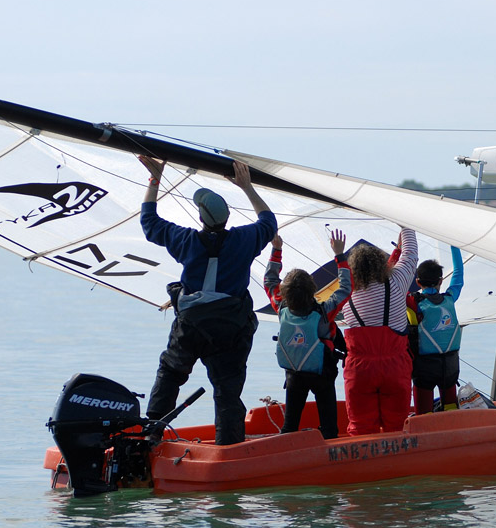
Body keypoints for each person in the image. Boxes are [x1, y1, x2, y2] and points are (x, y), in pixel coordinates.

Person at [138, 156, 277, 445]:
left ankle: (149, 436)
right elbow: (268, 222)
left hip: (191, 327)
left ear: (200, 218)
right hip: (230, 328)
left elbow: (149, 222)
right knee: (227, 391)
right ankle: (230, 448)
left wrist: (155, 178)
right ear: (227, 218)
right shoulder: (244, 239)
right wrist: (247, 187)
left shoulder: (186, 240)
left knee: (170, 376)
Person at [263, 229, 350, 440]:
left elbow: (269, 280)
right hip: (322, 375)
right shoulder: (324, 311)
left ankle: (284, 453)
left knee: (290, 424)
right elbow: (346, 288)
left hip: (294, 374)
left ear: (285, 292)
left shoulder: (280, 306)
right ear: (313, 289)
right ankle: (329, 451)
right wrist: (340, 256)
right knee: (329, 427)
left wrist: (276, 250)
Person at [340, 227, 418, 435]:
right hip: (395, 366)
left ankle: (360, 465)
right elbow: (411, 254)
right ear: (381, 264)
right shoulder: (397, 283)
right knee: (397, 427)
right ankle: (399, 465)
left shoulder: (346, 292)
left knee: (360, 428)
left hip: (360, 369)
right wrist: (406, 227)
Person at [409, 246, 464, 414]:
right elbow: (458, 274)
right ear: (441, 281)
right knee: (450, 410)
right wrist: (454, 245)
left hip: (425, 367)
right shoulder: (450, 298)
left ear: (418, 282)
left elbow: (396, 287)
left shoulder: (413, 302)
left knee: (423, 414)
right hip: (450, 365)